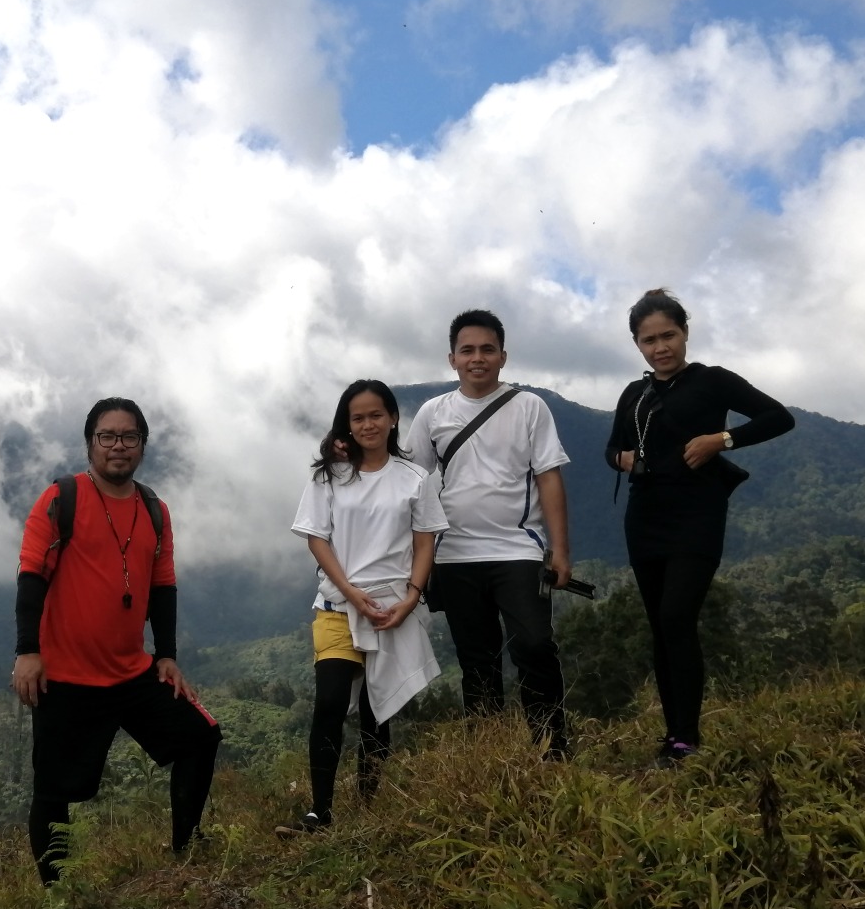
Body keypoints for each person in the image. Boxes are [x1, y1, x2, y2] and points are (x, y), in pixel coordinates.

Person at [11, 397, 221, 884]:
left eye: (129, 437)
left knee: (200, 736)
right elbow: (30, 577)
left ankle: (186, 849)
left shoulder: (154, 510)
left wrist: (165, 654)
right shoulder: (61, 499)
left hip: (131, 670)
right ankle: (57, 898)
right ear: (91, 444)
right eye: (108, 436)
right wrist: (27, 652)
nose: (118, 446)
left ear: (142, 445)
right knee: (53, 792)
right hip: (65, 676)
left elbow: (163, 584)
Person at [604, 289, 794, 765]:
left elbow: (778, 417)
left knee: (676, 618)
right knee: (660, 627)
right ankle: (672, 736)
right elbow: (611, 449)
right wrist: (622, 459)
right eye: (648, 340)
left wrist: (722, 439)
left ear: (685, 333)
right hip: (644, 516)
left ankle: (687, 737)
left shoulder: (713, 381)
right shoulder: (634, 393)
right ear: (637, 345)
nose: (660, 347)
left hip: (697, 514)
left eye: (668, 335)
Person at [285, 380, 447, 833]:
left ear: (393, 418)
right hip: (338, 605)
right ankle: (321, 810)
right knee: (331, 702)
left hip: (394, 608)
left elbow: (424, 542)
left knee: (379, 708)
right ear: (347, 424)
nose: (368, 424)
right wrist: (352, 593)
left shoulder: (415, 478)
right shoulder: (329, 476)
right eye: (358, 417)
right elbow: (317, 539)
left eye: (376, 414)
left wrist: (412, 598)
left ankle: (369, 802)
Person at [409, 309, 573, 754]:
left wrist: (561, 550)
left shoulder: (529, 407)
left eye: (487, 349)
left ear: (503, 356)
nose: (477, 358)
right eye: (467, 350)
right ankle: (490, 754)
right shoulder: (432, 413)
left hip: (517, 549)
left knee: (536, 648)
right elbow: (411, 484)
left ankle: (552, 748)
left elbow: (549, 478)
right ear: (452, 359)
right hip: (454, 555)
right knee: (476, 662)